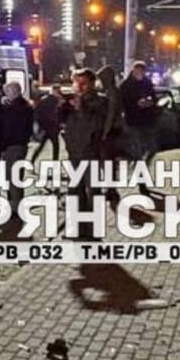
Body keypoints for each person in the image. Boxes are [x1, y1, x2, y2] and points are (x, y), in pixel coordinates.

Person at [61, 68, 110, 238]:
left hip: (91, 153)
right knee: (75, 191)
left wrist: (81, 107)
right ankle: (77, 227)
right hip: (74, 153)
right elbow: (60, 120)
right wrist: (62, 105)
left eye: (83, 83)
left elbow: (95, 123)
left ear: (91, 83)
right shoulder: (73, 100)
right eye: (76, 83)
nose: (79, 86)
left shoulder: (100, 101)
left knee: (93, 191)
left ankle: (94, 229)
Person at [119, 62, 160, 189]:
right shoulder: (126, 85)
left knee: (152, 149)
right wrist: (136, 104)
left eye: (143, 71)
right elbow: (123, 103)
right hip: (133, 122)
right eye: (138, 71)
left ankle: (141, 171)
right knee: (137, 153)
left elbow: (154, 97)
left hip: (147, 121)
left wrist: (150, 102)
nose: (141, 73)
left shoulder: (147, 82)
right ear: (134, 70)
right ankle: (142, 180)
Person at [1, 81, 35, 214]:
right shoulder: (27, 106)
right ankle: (18, 203)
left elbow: (8, 130)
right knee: (18, 176)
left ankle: (15, 208)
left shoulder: (12, 109)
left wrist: (3, 146)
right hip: (22, 144)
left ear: (12, 92)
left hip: (12, 146)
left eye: (7, 93)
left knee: (12, 177)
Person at [30, 84, 62, 163]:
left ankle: (32, 161)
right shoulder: (54, 100)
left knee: (43, 146)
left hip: (47, 126)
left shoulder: (45, 99)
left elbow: (37, 112)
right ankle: (55, 163)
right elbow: (55, 113)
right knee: (55, 146)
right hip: (51, 126)